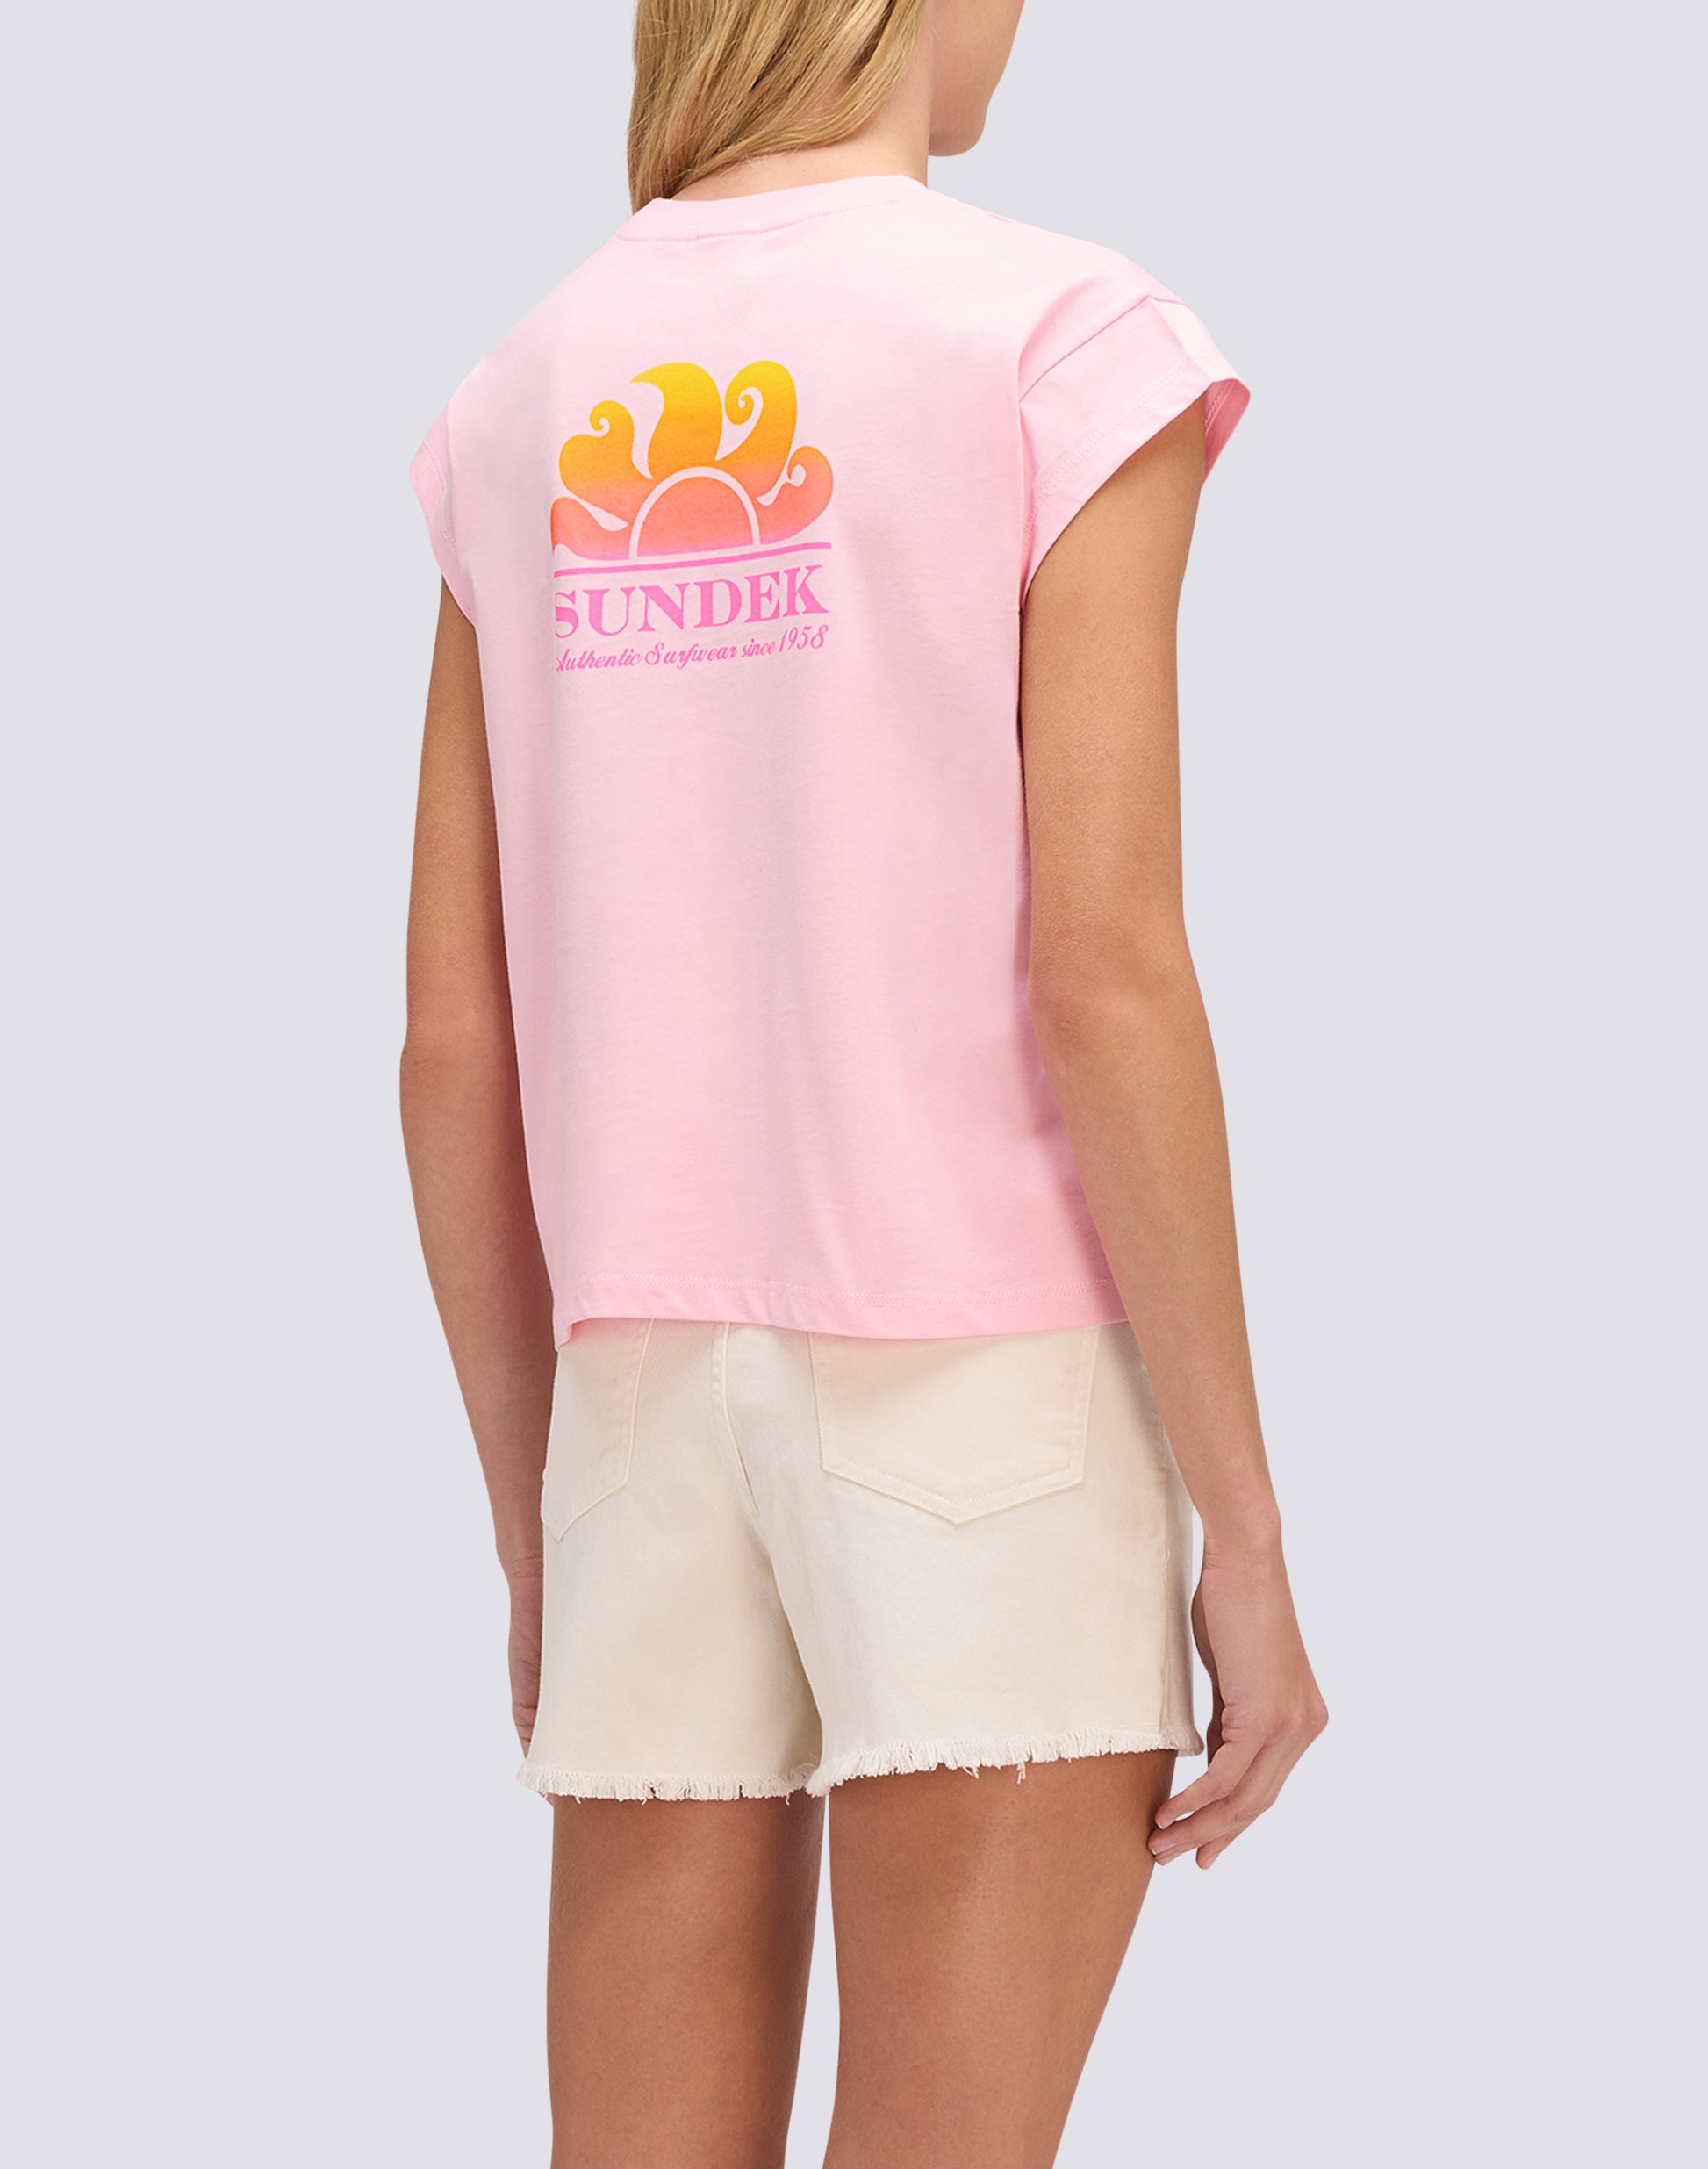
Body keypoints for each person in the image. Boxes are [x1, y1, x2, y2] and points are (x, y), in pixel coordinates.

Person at [401, 1, 1326, 2159]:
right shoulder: (1056, 343)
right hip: (984, 1393)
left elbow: (453, 1042)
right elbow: (1105, 974)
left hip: (636, 1406)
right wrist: (1247, 1530)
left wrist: (538, 1522)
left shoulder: (522, 391)